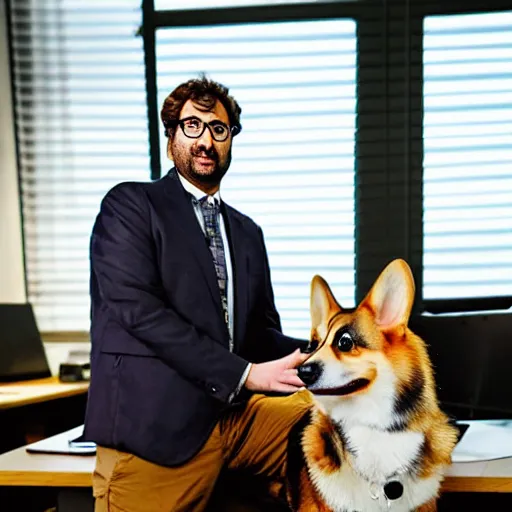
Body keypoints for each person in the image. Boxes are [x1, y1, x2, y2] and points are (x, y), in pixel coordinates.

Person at [84, 75, 314, 511]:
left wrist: (324, 354)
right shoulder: (130, 207)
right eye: (193, 126)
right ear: (171, 136)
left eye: (219, 129)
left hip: (239, 419)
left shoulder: (247, 233)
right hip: (157, 431)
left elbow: (261, 335)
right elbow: (141, 314)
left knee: (349, 432)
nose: (206, 140)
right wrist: (246, 375)